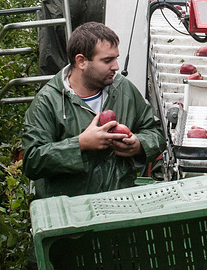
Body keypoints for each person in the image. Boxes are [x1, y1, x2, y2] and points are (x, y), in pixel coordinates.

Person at [22, 22, 165, 199]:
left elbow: (155, 132)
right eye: (107, 60)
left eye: (116, 58)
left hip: (119, 205)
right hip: (72, 213)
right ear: (81, 61)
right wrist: (80, 144)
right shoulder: (49, 101)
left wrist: (138, 145)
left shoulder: (123, 90)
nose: (116, 67)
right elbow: (32, 161)